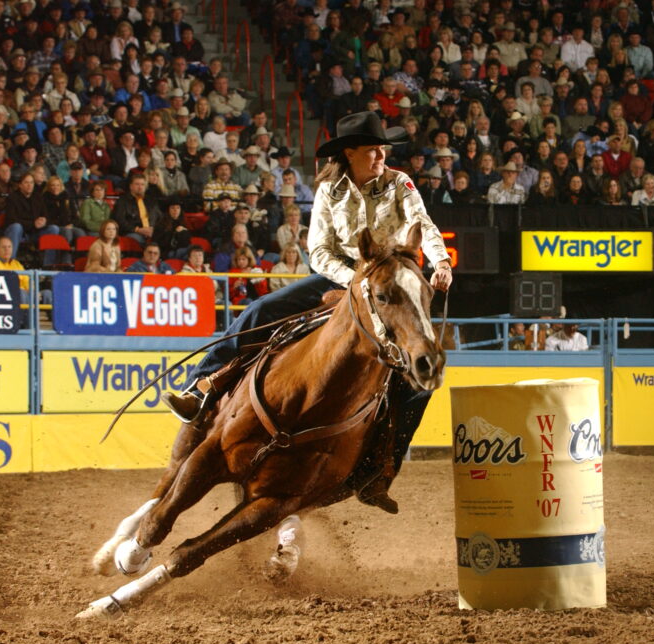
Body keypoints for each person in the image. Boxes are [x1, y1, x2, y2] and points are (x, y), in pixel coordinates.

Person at [160, 111, 453, 514]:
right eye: (372, 150)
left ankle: (381, 471)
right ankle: (202, 388)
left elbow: (425, 225)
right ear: (350, 153)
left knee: (419, 381)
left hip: (389, 285)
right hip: (341, 278)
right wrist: (355, 281)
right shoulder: (330, 190)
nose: (381, 156)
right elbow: (319, 250)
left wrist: (440, 262)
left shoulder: (400, 184)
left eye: (383, 149)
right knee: (261, 309)